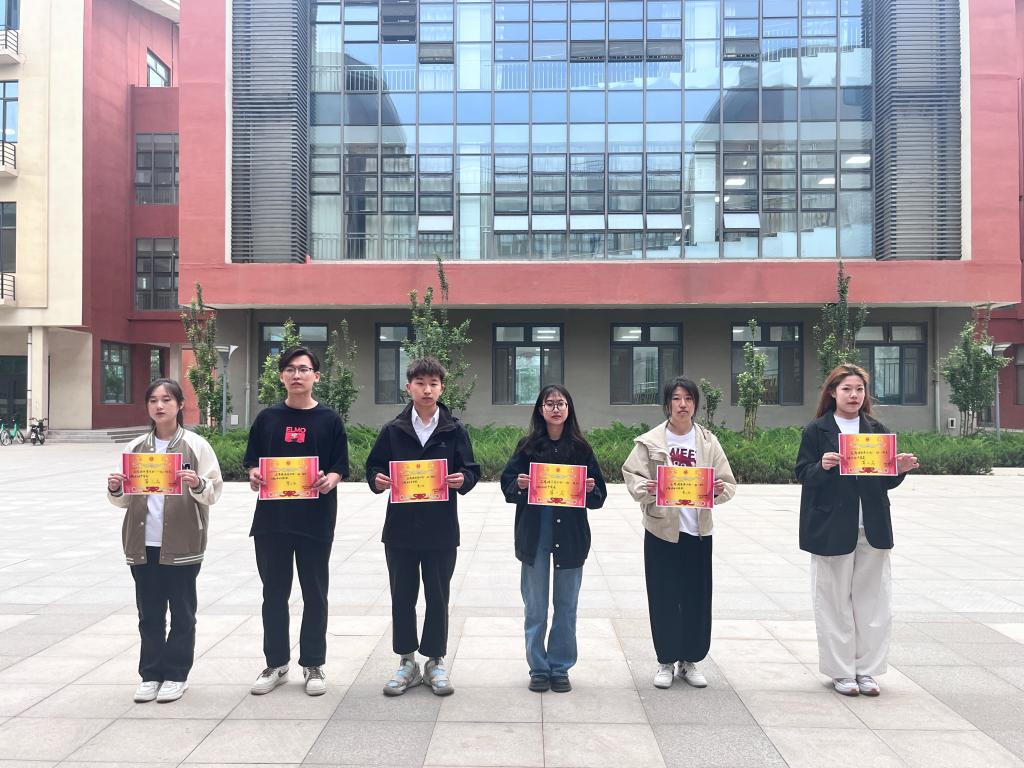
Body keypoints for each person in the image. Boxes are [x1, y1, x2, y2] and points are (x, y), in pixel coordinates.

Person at [796, 363, 919, 697]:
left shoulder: (876, 430)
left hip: (872, 526)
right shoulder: (817, 430)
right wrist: (821, 466)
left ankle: (867, 670)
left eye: (859, 389)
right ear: (832, 392)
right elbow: (803, 473)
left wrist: (900, 469)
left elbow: (884, 481)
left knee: (873, 602)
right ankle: (841, 671)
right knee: (833, 602)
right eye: (847, 389)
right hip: (831, 526)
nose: (854, 395)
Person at [366, 357, 480, 697]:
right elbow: (373, 467)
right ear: (409, 388)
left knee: (437, 596)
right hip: (400, 529)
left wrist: (463, 479)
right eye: (420, 383)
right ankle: (406, 661)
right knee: (402, 596)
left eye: (433, 384)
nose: (426, 389)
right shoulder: (393, 429)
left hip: (440, 528)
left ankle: (435, 661)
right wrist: (378, 479)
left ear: (442, 388)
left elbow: (471, 469)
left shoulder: (454, 430)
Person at [107, 378, 223, 704]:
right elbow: (124, 500)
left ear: (180, 405)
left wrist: (197, 482)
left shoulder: (196, 446)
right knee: (150, 614)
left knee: (183, 614)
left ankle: (176, 674)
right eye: (153, 400)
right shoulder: (135, 448)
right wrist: (116, 487)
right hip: (143, 544)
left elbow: (213, 492)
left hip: (183, 543)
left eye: (167, 400)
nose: (159, 406)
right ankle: (150, 674)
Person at [244, 345, 349, 697]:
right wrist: (254, 474)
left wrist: (330, 479)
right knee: (274, 594)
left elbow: (340, 466)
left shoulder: (329, 420)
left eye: (303, 369)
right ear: (281, 376)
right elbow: (252, 461)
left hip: (315, 520)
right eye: (290, 369)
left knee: (315, 594)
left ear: (316, 376)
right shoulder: (267, 418)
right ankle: (276, 663)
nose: (296, 375)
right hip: (272, 521)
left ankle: (313, 663)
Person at [621, 376, 736, 690]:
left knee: (697, 598)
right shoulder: (651, 441)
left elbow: (728, 483)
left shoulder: (708, 442)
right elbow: (632, 475)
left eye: (688, 399)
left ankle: (690, 660)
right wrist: (645, 488)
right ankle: (666, 660)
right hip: (661, 531)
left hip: (698, 532)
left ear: (695, 404)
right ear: (667, 404)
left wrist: (718, 490)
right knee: (664, 596)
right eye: (676, 398)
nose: (682, 404)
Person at [500, 385, 607, 693]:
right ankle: (538, 667)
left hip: (570, 537)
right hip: (535, 534)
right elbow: (507, 486)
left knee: (566, 606)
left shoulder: (581, 449)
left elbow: (599, 496)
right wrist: (520, 485)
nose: (556, 409)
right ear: (541, 410)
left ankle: (560, 667)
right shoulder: (527, 447)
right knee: (535, 607)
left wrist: (590, 489)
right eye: (550, 404)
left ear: (569, 409)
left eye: (561, 403)